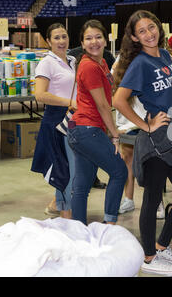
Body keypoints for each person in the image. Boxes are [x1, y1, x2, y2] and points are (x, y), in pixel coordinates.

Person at [113, 10, 172, 277]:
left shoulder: (164, 55)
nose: (149, 34)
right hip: (155, 139)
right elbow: (119, 100)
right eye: (142, 31)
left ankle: (161, 246)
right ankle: (148, 257)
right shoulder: (139, 64)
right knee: (152, 198)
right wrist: (145, 124)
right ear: (135, 37)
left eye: (152, 27)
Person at [67, 19, 127, 226]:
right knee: (120, 172)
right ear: (82, 44)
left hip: (82, 130)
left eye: (98, 37)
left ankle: (78, 230)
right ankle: (109, 226)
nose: (94, 42)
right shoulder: (89, 66)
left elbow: (108, 95)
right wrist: (115, 134)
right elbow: (102, 105)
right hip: (87, 129)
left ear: (105, 39)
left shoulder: (101, 63)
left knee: (82, 186)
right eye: (88, 38)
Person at [31, 23, 76, 220]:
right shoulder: (46, 63)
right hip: (56, 120)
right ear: (48, 41)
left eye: (64, 36)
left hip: (73, 119)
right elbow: (40, 95)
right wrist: (70, 102)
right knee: (64, 171)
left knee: (70, 169)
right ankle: (67, 216)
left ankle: (57, 205)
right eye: (56, 37)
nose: (61, 41)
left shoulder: (73, 60)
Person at [112, 58, 166, 219]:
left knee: (150, 163)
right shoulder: (122, 58)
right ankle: (128, 198)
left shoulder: (152, 58)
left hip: (148, 121)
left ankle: (157, 201)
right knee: (127, 158)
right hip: (127, 123)